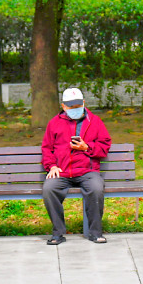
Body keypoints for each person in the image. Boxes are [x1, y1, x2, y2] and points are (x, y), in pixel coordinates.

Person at [41, 87, 112, 245]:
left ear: (84, 103)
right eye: (71, 107)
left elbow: (105, 146)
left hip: (88, 171)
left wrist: (86, 148)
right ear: (64, 106)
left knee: (96, 188)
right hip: (62, 171)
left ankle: (95, 233)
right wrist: (52, 166)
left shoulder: (95, 121)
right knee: (49, 189)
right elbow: (47, 148)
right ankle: (58, 233)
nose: (75, 109)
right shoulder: (54, 123)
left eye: (78, 106)